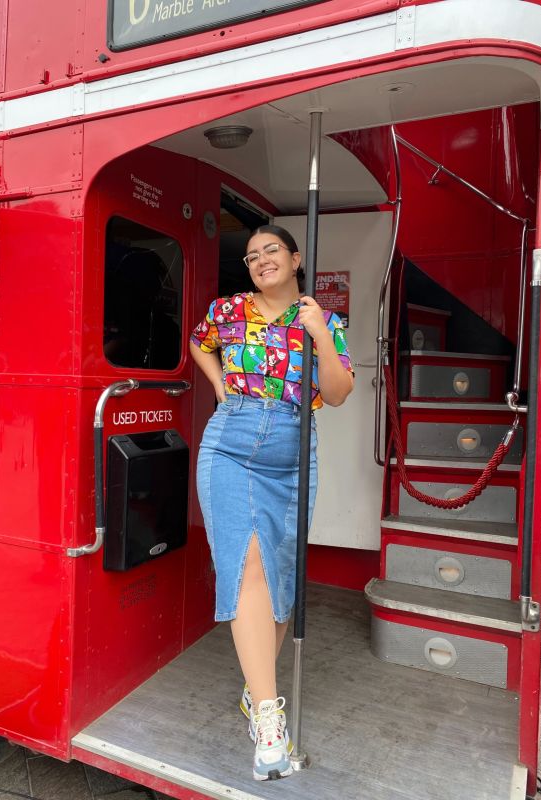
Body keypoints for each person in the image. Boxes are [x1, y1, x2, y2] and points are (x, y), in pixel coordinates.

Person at [190, 224, 354, 782]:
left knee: (280, 579)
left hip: (293, 448)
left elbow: (335, 392)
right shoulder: (229, 309)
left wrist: (320, 335)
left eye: (271, 251)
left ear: (296, 257)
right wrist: (218, 384)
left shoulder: (324, 320)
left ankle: (253, 688)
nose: (261, 260)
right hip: (230, 445)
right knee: (248, 566)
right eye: (252, 255)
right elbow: (198, 341)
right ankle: (267, 717)